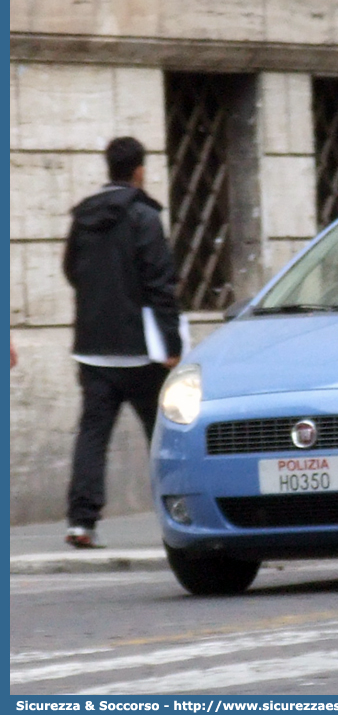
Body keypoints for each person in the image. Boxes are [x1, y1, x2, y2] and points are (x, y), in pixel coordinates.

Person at [62, 136, 182, 549]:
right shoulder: (144, 217)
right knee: (163, 434)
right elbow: (160, 283)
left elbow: (71, 269)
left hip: (93, 345)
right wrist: (171, 344)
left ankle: (81, 523)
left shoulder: (83, 216)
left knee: (92, 434)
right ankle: (176, 516)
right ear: (139, 170)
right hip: (139, 349)